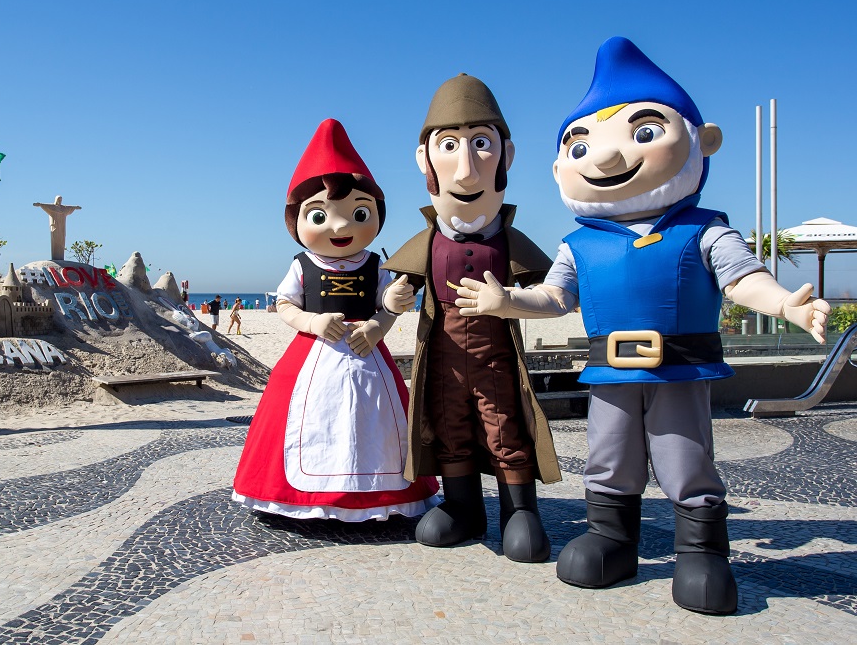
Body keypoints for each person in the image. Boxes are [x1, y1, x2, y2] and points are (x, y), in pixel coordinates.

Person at [455, 37, 830, 614]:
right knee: (609, 456)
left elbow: (741, 278)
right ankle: (611, 538)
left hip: (680, 369)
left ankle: (701, 553)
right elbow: (555, 297)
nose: (606, 159)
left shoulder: (703, 229)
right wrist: (507, 301)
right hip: (609, 373)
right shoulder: (579, 244)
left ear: (701, 141)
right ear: (560, 168)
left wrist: (786, 305)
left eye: (645, 131)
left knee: (685, 457)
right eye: (582, 146)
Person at [382, 74, 561, 562]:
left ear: (506, 156)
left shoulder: (509, 242)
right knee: (449, 427)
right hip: (442, 362)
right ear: (425, 160)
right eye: (449, 146)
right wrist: (394, 299)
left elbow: (555, 292)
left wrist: (513, 300)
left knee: (505, 427)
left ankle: (519, 510)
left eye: (481, 144)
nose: (465, 170)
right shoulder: (427, 242)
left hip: (495, 359)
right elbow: (396, 290)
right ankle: (463, 508)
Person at [232, 118, 439, 521]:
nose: (341, 226)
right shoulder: (302, 264)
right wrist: (312, 323)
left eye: (359, 213)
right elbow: (286, 305)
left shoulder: (376, 265)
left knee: (376, 418)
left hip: (367, 353)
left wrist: (380, 322)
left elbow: (389, 304)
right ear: (296, 219)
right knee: (304, 417)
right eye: (319, 216)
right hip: (313, 352)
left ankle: (379, 494)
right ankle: (301, 494)